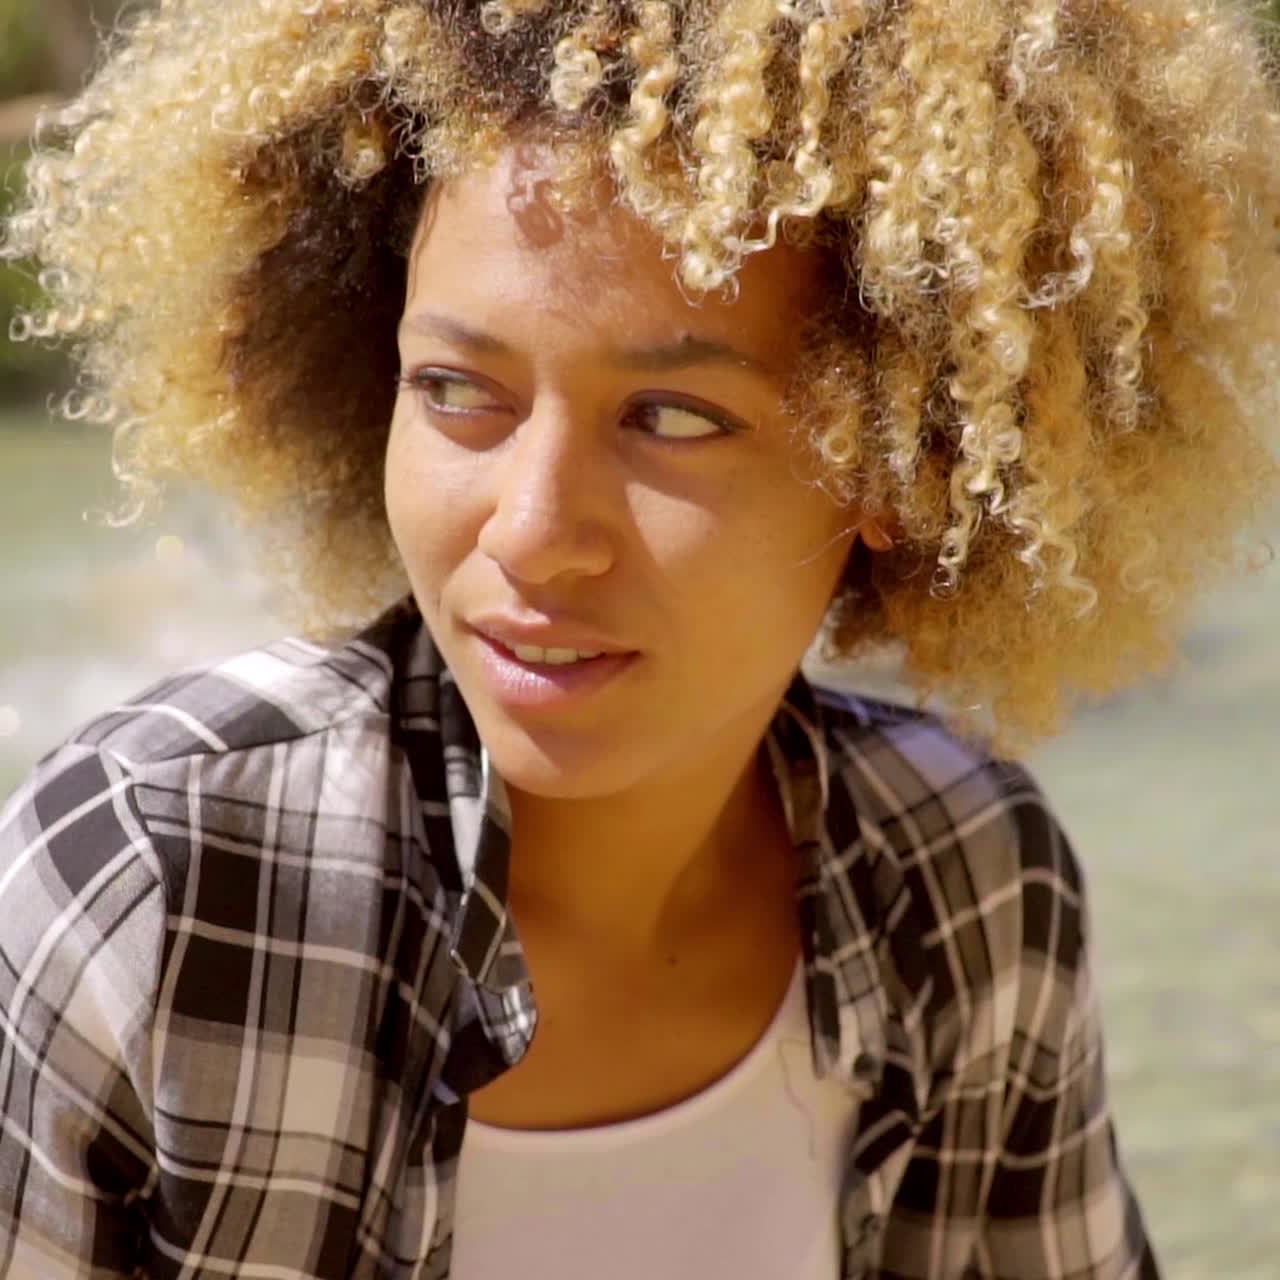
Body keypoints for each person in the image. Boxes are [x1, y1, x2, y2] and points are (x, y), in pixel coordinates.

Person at [2, 0, 1278, 1275]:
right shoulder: (154, 883)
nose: (535, 529)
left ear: (904, 457)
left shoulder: (968, 890)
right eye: (455, 390)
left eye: (671, 416)